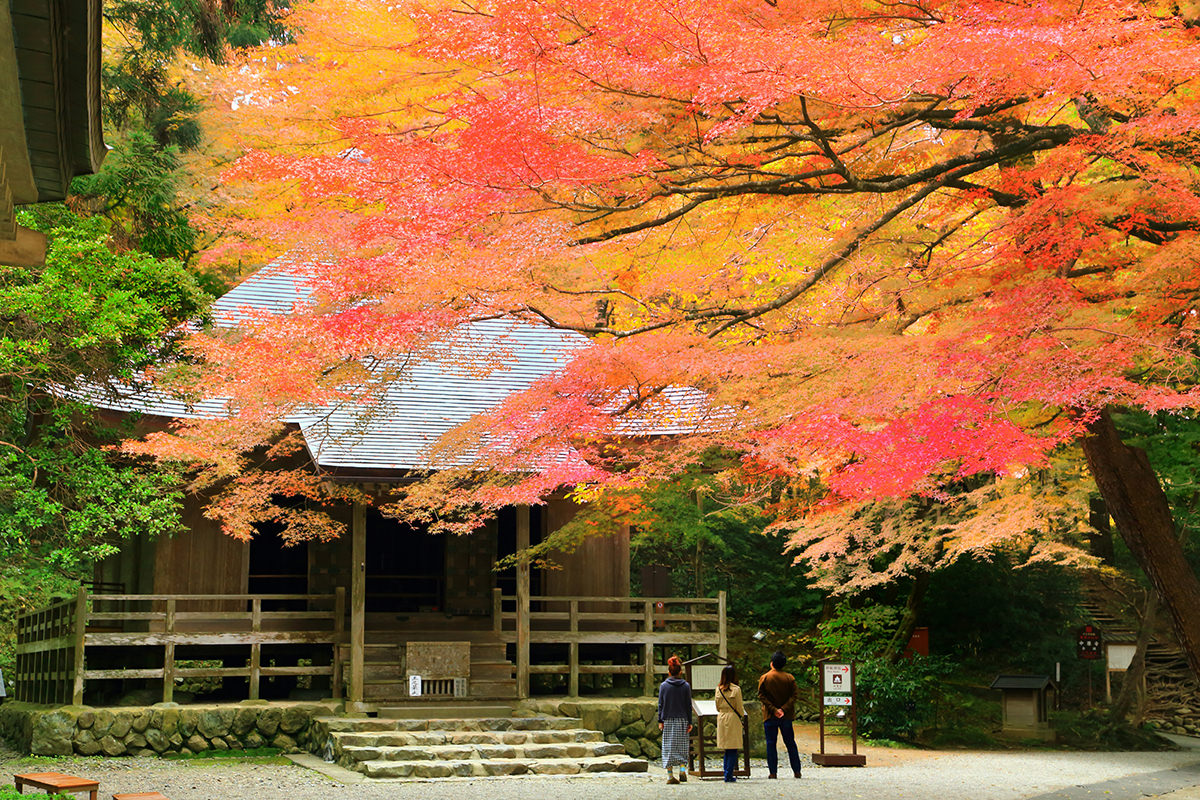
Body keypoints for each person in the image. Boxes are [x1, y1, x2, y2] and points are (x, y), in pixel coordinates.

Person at [757, 650, 802, 779]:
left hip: (770, 715)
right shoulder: (789, 678)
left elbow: (761, 696)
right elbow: (794, 696)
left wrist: (774, 709)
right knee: (790, 743)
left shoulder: (765, 677)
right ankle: (797, 771)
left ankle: (773, 772)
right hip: (786, 715)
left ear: (772, 663)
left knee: (771, 743)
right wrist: (783, 709)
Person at [657, 654, 692, 784]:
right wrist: (689, 721)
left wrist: (660, 720)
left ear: (669, 671)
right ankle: (682, 770)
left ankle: (670, 776)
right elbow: (688, 705)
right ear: (680, 671)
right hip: (682, 719)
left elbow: (661, 704)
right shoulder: (686, 686)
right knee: (682, 746)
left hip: (668, 719)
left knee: (668, 747)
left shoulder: (664, 686)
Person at [714, 664, 746, 783]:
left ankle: (726, 772)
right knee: (733, 747)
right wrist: (741, 716)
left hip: (721, 717)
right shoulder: (736, 689)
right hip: (733, 717)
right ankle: (728, 774)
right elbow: (740, 708)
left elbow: (717, 707)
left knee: (727, 748)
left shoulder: (718, 689)